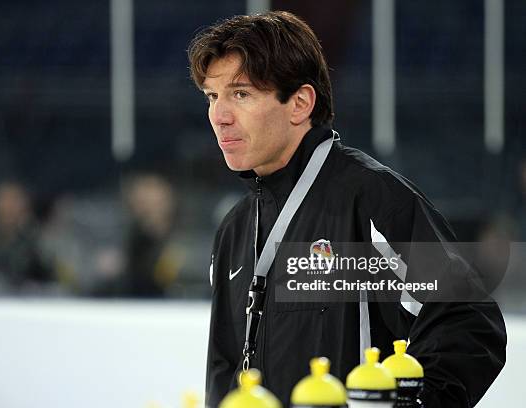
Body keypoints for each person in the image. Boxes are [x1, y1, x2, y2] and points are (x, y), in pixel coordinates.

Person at [187, 11, 506, 408]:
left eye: (241, 94)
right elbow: (225, 369)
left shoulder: (372, 198)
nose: (219, 116)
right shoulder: (234, 229)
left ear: (300, 103)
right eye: (212, 97)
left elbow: (470, 323)